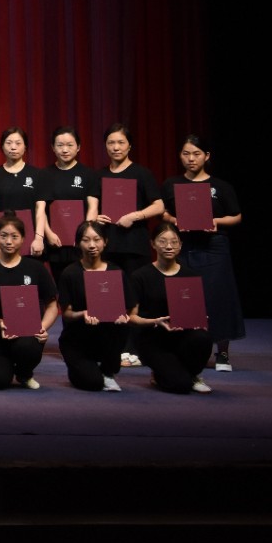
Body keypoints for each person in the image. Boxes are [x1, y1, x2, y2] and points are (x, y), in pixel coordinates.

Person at [161, 133, 244, 372]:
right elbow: (163, 212)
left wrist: (216, 222)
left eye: (196, 154)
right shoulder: (171, 184)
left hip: (214, 246)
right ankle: (183, 347)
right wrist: (175, 220)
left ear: (206, 156)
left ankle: (222, 352)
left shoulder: (220, 186)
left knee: (218, 296)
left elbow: (236, 216)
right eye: (186, 154)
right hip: (183, 245)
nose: (191, 159)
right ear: (180, 156)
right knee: (183, 295)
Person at [96, 122, 165, 368]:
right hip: (108, 246)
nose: (115, 147)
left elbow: (159, 206)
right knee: (110, 297)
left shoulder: (141, 173)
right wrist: (96, 217)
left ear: (129, 145)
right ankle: (112, 347)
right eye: (111, 143)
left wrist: (135, 216)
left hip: (135, 245)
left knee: (134, 298)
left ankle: (134, 348)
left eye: (120, 142)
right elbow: (92, 208)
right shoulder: (100, 175)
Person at [0, 213, 59, 390]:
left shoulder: (36, 268)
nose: (9, 241)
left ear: (23, 239)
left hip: (27, 333)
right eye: (3, 236)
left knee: (28, 347)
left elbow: (52, 305)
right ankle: (4, 367)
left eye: (14, 236)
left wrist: (42, 327)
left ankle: (24, 373)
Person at [128, 222, 215, 394]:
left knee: (203, 338)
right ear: (153, 244)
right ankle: (162, 374)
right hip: (153, 339)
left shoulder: (190, 275)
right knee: (181, 385)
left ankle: (192, 374)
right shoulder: (140, 276)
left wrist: (200, 320)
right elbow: (131, 317)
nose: (169, 246)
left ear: (180, 245)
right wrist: (155, 321)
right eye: (162, 241)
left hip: (183, 337)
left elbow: (197, 311)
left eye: (174, 242)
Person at [57, 220, 132, 392]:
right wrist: (82, 314)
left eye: (97, 239)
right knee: (93, 383)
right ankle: (80, 370)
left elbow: (130, 305)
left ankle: (108, 371)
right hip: (78, 340)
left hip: (106, 337)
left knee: (122, 325)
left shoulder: (116, 272)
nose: (92, 245)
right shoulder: (70, 273)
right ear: (78, 243)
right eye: (86, 240)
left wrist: (125, 316)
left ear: (105, 242)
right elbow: (66, 313)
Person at [43, 126, 102, 283]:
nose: (65, 150)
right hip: (56, 242)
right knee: (61, 283)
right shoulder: (44, 175)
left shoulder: (89, 174)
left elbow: (93, 207)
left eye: (70, 145)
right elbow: (41, 209)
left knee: (86, 283)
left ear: (78, 147)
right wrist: (48, 233)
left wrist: (85, 235)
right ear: (53, 147)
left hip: (82, 242)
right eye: (60, 145)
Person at [0, 127, 48, 261]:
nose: (13, 147)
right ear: (2, 146)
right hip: (4, 239)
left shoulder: (37, 174)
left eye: (18, 143)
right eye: (9, 143)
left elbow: (40, 210)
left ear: (25, 147)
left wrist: (39, 238)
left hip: (30, 239)